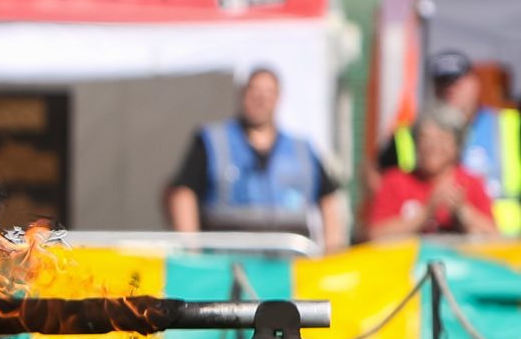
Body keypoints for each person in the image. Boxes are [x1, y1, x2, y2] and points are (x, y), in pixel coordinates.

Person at [163, 66, 347, 251]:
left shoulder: (302, 150)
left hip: (290, 267)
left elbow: (328, 200)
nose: (261, 99)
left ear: (278, 98)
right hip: (227, 265)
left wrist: (332, 252)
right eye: (255, 90)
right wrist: (192, 251)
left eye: (269, 92)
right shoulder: (212, 142)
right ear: (242, 94)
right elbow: (183, 194)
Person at [381, 51, 521, 236]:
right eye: (443, 84)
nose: (450, 91)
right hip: (419, 247)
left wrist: (465, 213)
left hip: (503, 246)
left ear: (475, 84)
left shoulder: (508, 126)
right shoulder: (406, 135)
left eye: (456, 83)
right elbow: (378, 186)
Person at [367, 104, 499, 240]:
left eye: (442, 139)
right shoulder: (395, 181)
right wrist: (426, 212)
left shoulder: (471, 183)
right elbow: (375, 235)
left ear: (457, 146)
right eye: (426, 138)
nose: (433, 147)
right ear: (416, 143)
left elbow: (496, 237)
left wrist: (463, 211)